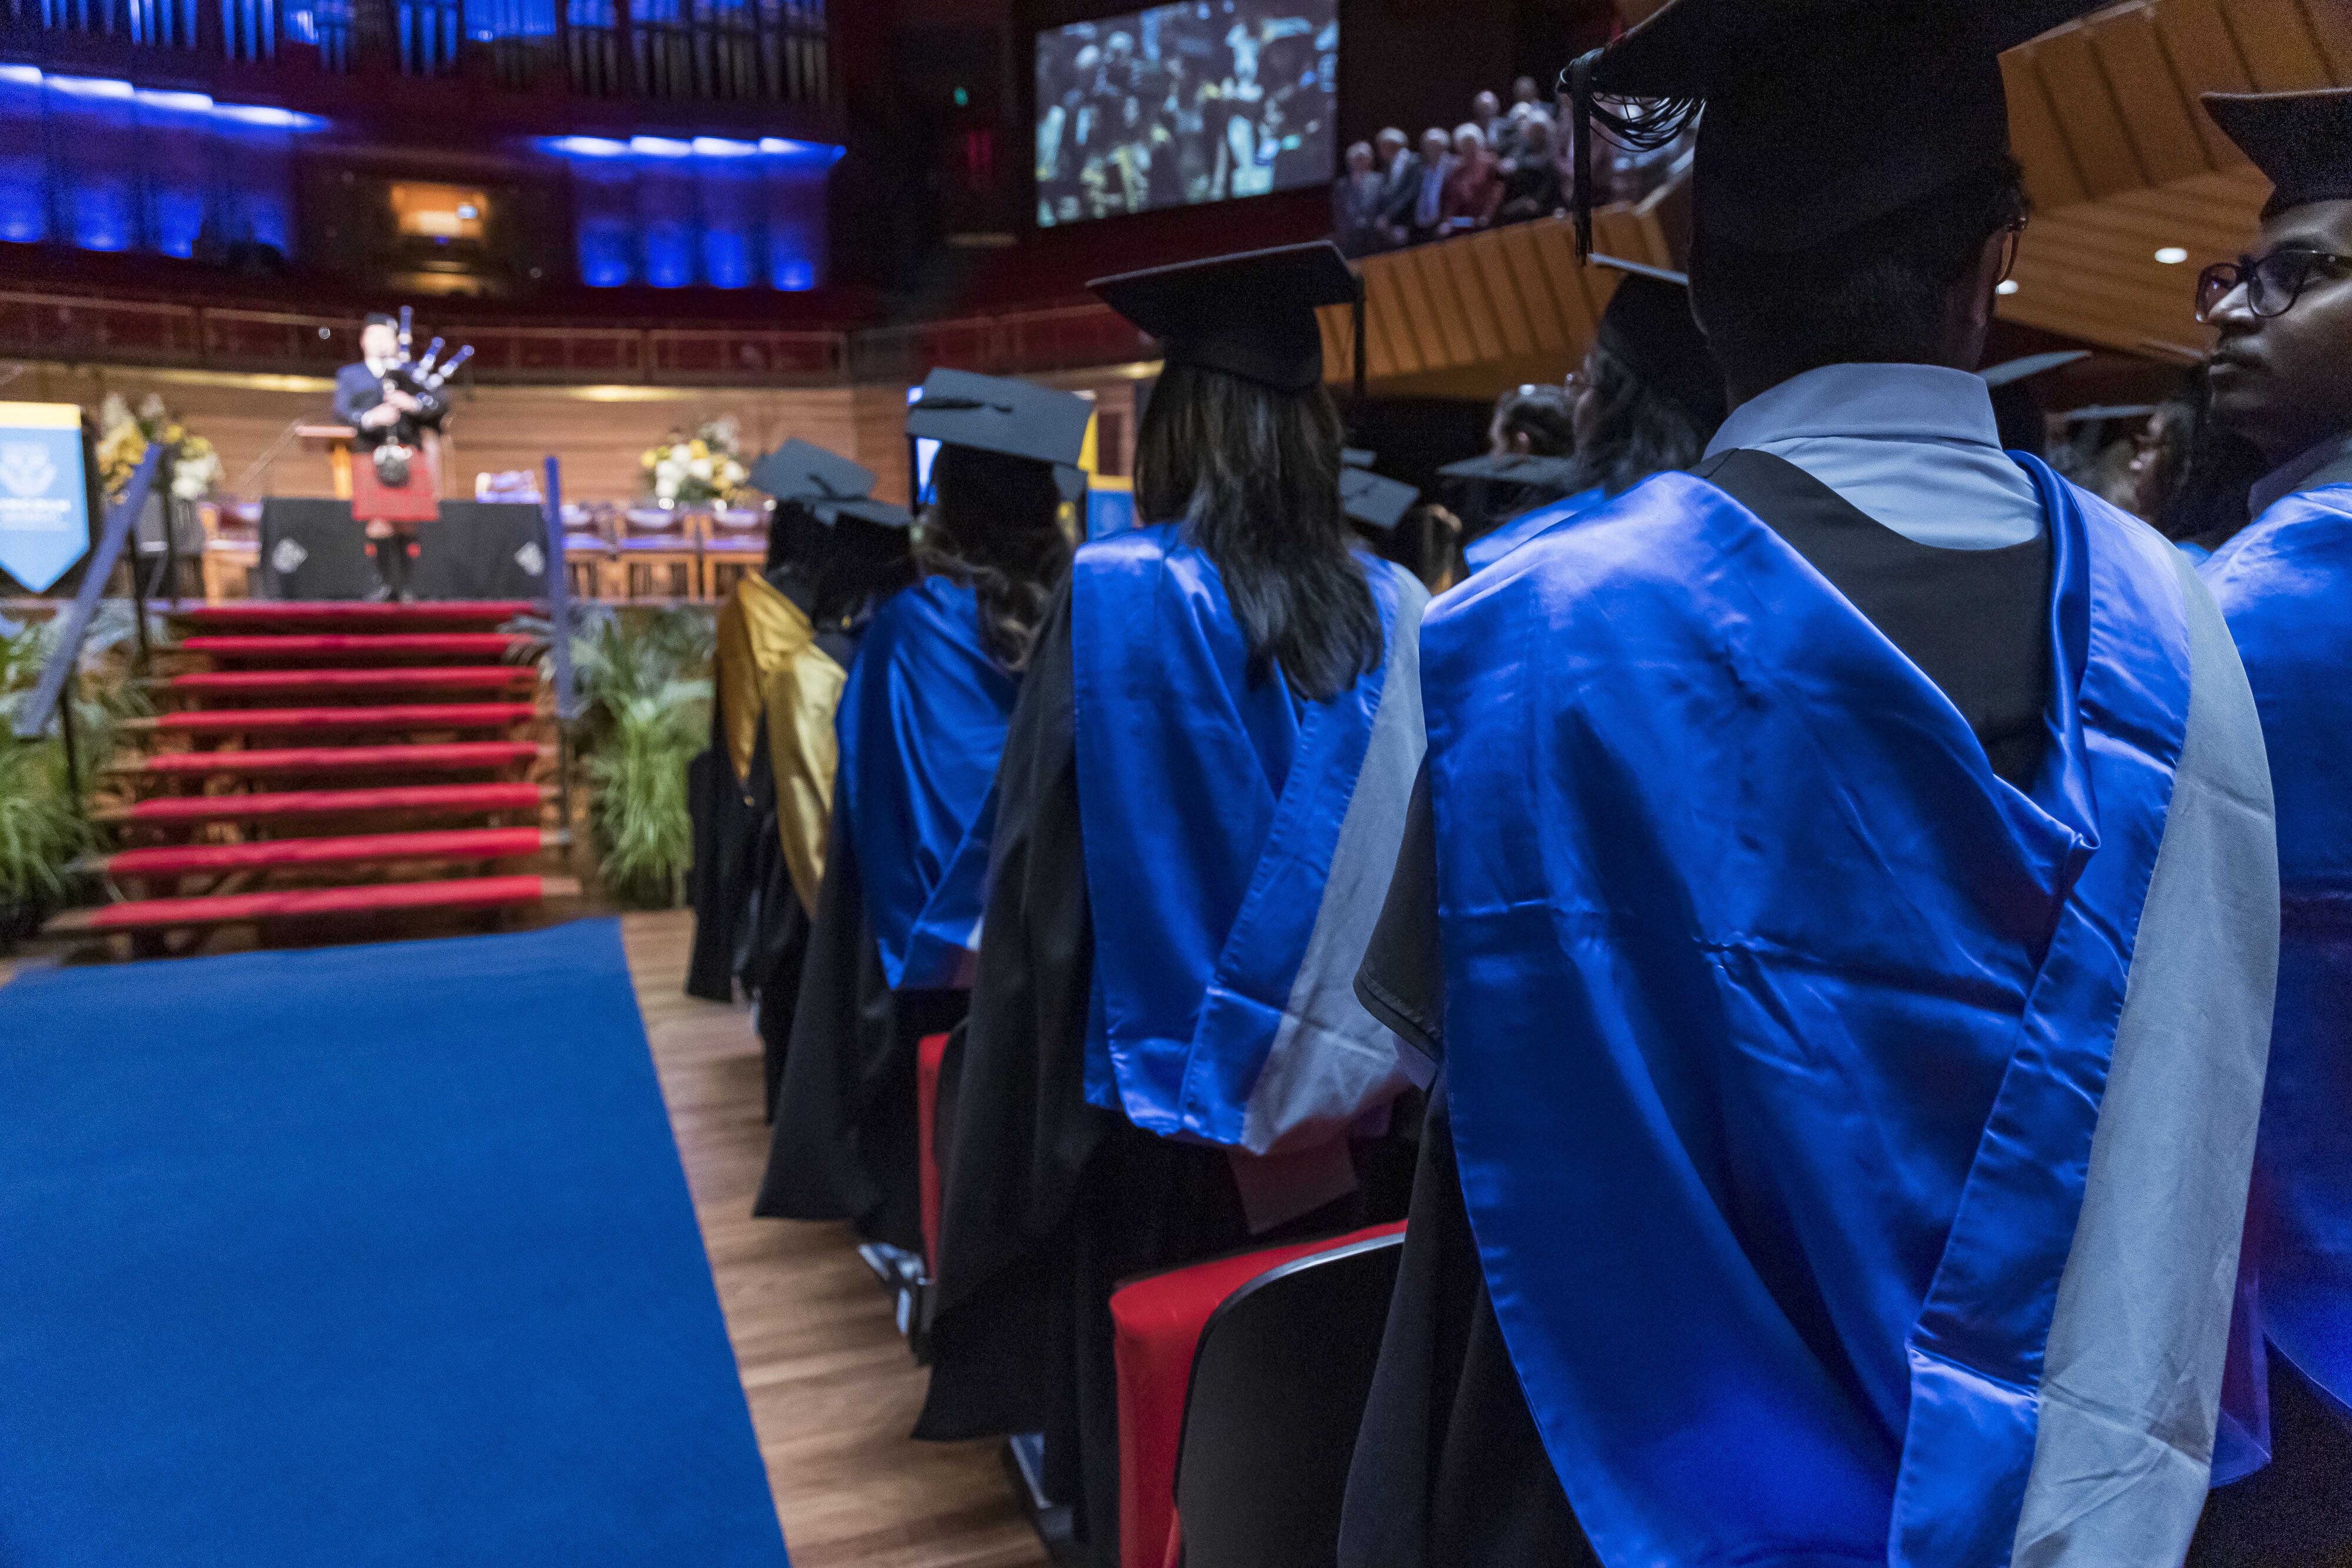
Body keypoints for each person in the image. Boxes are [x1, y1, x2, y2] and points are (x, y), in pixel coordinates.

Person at [1340, 6, 2277, 1566]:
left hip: (1596, 1482)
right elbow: (2189, 1106)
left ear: (1699, 289)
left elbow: (1446, 1061)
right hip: (2036, 1480)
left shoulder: (1517, 632)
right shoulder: (2175, 623)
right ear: (1988, 264)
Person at [918, 242, 1427, 1568]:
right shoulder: (1408, 609)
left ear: (1173, 429)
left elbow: (1039, 910)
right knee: (1315, 1453)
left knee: (1157, 1474)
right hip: (1361, 1148)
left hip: (1143, 1145)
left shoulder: (1114, 598)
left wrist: (1006, 1160)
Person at [756, 372, 1090, 1273]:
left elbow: (876, 799)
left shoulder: (909, 629)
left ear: (945, 512)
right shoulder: (1096, 614)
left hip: (941, 966)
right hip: (1071, 947)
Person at [2185, 84, 2352, 1568]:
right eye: (2234, 274)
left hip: (2278, 1335)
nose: (2237, 306)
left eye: (2304, 273)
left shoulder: (2228, 618)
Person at [1464, 259, 1725, 574]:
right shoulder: (1754, 522)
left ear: (1617, 408)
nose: (1576, 404)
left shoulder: (1516, 560)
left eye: (1585, 382)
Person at [333, 312, 448, 601]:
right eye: (375, 336)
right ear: (363, 341)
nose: (382, 342)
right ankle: (384, 585)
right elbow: (342, 411)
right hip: (370, 452)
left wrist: (413, 404)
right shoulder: (350, 375)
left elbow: (441, 403)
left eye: (387, 337)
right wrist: (372, 418)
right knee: (379, 521)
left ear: (397, 342)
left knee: (408, 520)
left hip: (408, 451)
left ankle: (407, 586)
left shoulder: (411, 373)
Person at [1496, 114, 1563, 224]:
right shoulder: (1518, 155)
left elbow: (1551, 184)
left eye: (1540, 131)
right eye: (1534, 131)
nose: (1537, 135)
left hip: (1546, 206)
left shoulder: (1552, 158)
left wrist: (1536, 201)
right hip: (1520, 207)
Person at [1439, 122, 1502, 233]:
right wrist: (1449, 222)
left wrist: (1487, 216)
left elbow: (1497, 191)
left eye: (1471, 143)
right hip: (1471, 224)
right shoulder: (1457, 171)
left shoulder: (1491, 162)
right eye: (1464, 144)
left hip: (1492, 221)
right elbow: (1454, 201)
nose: (1468, 148)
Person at [1334, 141, 1392, 257]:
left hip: (1374, 235)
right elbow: (1338, 212)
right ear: (1350, 160)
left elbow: (1387, 205)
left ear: (1370, 159)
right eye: (1357, 158)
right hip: (1350, 238)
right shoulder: (1342, 185)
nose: (1360, 162)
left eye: (1363, 158)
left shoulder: (1380, 180)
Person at [1370, 126, 1420, 249]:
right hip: (1391, 228)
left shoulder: (1414, 162)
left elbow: (1411, 194)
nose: (1380, 151)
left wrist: (1389, 216)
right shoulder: (1388, 168)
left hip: (1409, 227)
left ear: (1393, 145)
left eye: (1382, 146)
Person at [1407, 127, 1453, 243]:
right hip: (1423, 230)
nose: (1432, 150)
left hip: (1449, 230)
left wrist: (1452, 223)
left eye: (1436, 146)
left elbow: (1468, 211)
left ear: (1445, 147)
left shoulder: (1454, 167)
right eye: (1429, 146)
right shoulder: (1420, 172)